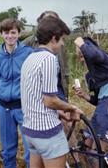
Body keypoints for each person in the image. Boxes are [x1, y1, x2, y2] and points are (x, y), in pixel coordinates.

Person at [20, 16, 83, 168]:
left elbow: (35, 97)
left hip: (30, 130)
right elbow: (50, 100)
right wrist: (71, 108)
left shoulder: (30, 58)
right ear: (53, 39)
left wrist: (58, 113)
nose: (62, 44)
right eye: (61, 39)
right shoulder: (49, 59)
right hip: (47, 134)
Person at [0, 18, 33, 168]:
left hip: (24, 108)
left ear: (19, 33)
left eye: (13, 32)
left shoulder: (28, 53)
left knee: (30, 150)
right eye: (6, 32)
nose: (10, 36)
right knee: (7, 151)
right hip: (4, 109)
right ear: (1, 34)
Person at [73, 36, 108, 154]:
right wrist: (85, 95)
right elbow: (97, 100)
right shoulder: (91, 75)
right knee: (87, 146)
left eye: (83, 55)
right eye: (80, 56)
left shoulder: (102, 58)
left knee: (98, 152)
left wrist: (81, 43)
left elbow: (93, 54)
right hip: (103, 105)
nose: (82, 59)